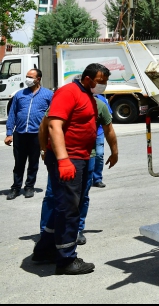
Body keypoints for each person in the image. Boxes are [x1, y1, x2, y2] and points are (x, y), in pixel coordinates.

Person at [31, 63, 114, 276]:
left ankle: (44, 251)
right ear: (87, 79)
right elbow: (52, 125)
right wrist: (63, 160)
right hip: (70, 158)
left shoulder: (88, 96)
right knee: (70, 208)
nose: (103, 85)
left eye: (105, 82)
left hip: (81, 157)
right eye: (100, 81)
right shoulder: (69, 92)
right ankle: (66, 259)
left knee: (62, 206)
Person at [38, 92, 117, 246]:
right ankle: (47, 232)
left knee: (81, 197)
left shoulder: (99, 104)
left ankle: (76, 229)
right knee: (53, 196)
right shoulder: (63, 101)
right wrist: (43, 149)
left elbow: (109, 130)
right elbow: (45, 126)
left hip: (87, 157)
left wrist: (115, 152)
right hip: (61, 157)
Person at [4, 69, 53, 200]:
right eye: (27, 76)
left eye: (30, 77)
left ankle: (29, 187)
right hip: (20, 134)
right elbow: (12, 114)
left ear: (39, 79)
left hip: (37, 135)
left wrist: (49, 135)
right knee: (19, 163)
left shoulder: (48, 95)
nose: (27, 79)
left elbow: (52, 115)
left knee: (33, 163)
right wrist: (9, 133)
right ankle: (15, 188)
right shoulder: (20, 95)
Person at [90, 94, 110, 188]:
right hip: (87, 133)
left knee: (99, 154)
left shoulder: (101, 99)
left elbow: (108, 116)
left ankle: (97, 179)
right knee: (89, 156)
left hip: (99, 131)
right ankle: (87, 179)